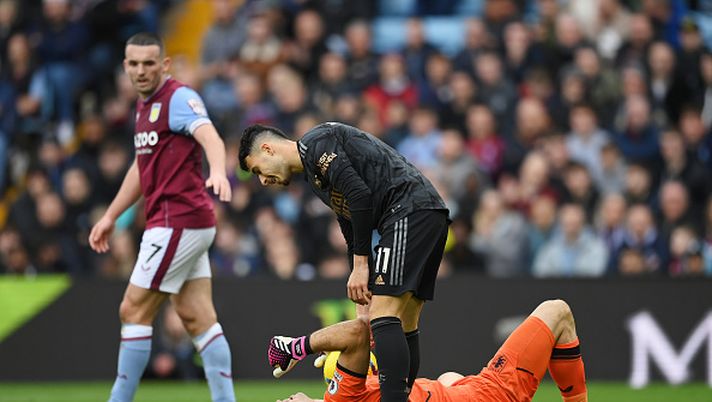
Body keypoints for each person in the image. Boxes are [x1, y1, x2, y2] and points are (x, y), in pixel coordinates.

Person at [239, 122, 450, 402]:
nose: (263, 180)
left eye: (257, 170)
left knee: (384, 316)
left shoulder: (316, 144)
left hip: (407, 211)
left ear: (267, 148)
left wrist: (362, 267)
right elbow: (350, 220)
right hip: (425, 212)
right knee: (405, 320)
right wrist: (359, 284)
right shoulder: (313, 172)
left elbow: (360, 196)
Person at [88, 33, 235, 402]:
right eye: (133, 64)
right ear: (125, 66)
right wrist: (111, 216)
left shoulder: (178, 98)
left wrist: (217, 171)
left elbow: (211, 138)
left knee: (133, 307)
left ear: (164, 65)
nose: (140, 71)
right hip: (185, 223)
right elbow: (142, 167)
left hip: (178, 221)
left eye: (149, 63)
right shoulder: (143, 106)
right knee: (195, 315)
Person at [271, 299, 588, 402]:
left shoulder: (341, 393)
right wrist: (298, 347)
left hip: (459, 390)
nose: (285, 398)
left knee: (449, 377)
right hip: (487, 395)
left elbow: (369, 373)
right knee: (557, 311)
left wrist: (339, 360)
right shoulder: (339, 398)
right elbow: (356, 333)